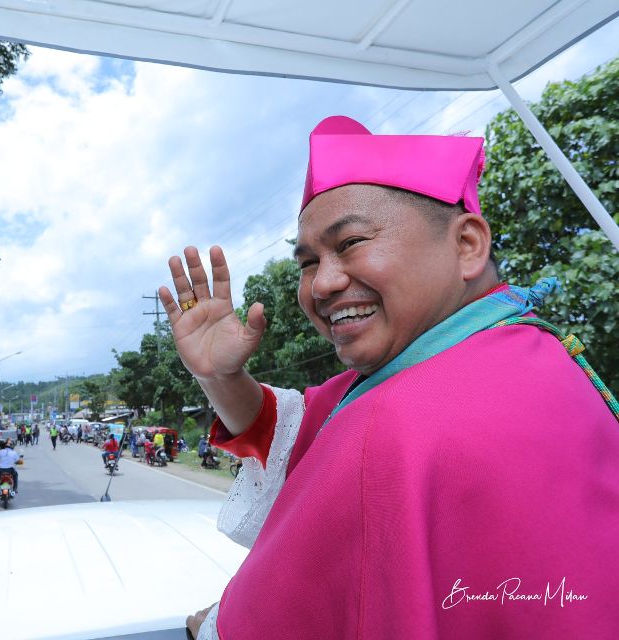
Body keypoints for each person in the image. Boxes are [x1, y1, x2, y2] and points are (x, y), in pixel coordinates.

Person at [161, 115, 619, 639]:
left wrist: (208, 627)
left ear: (468, 244)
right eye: (307, 262)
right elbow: (307, 430)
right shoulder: (520, 347)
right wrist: (222, 376)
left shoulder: (397, 420)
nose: (323, 285)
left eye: (352, 242)